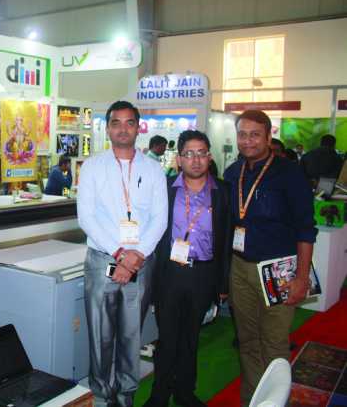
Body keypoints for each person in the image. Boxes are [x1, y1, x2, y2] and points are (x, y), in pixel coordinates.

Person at [77, 101, 168, 407]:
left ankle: (126, 395)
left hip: (140, 262)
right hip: (102, 260)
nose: (123, 129)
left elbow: (160, 219)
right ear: (108, 128)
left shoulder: (153, 169)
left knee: (131, 334)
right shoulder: (92, 167)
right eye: (116, 123)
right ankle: (102, 396)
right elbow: (86, 218)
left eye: (130, 123)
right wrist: (119, 254)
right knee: (100, 334)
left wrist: (136, 256)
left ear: (138, 128)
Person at [224, 110, 317, 406]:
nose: (247, 141)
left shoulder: (289, 173)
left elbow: (306, 229)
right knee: (248, 341)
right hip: (240, 268)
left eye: (255, 135)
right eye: (242, 134)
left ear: (268, 136)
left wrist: (301, 277)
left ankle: (277, 401)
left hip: (278, 271)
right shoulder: (232, 173)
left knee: (274, 343)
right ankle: (253, 400)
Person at [144, 131, 232, 407]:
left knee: (191, 337)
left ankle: (184, 392)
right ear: (179, 158)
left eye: (201, 153)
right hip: (169, 273)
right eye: (189, 154)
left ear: (209, 157)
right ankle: (159, 395)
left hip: (203, 274)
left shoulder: (223, 192)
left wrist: (223, 284)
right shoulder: (165, 189)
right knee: (167, 338)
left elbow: (227, 239)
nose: (196, 160)